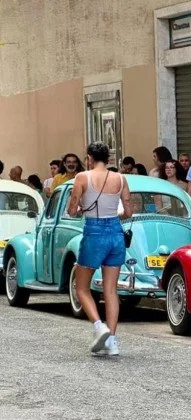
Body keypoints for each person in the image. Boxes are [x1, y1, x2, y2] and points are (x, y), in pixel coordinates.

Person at [67, 141, 132, 357]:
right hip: (116, 232)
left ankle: (98, 326)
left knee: (82, 288)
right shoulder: (121, 178)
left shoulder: (82, 177)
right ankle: (112, 341)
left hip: (94, 232)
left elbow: (72, 210)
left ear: (89, 158)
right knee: (111, 290)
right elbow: (128, 212)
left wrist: (80, 208)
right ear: (108, 158)